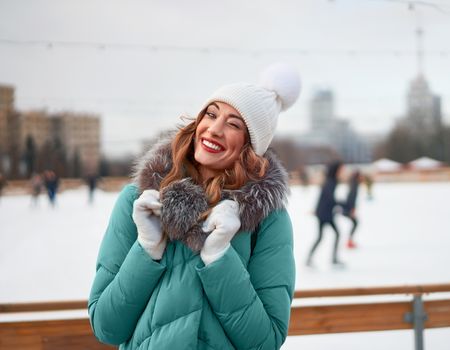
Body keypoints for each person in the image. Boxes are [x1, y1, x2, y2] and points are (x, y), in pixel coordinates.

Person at [88, 63, 300, 349]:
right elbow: (107, 327)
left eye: (234, 124)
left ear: (252, 145)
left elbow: (265, 341)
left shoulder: (267, 219)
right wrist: (146, 250)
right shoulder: (139, 201)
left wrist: (220, 259)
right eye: (211, 114)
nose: (214, 130)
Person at [306, 161, 344, 267]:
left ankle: (332, 258)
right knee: (322, 237)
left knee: (327, 236)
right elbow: (329, 198)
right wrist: (344, 205)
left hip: (325, 213)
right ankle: (311, 259)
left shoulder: (332, 180)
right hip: (324, 214)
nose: (342, 172)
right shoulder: (331, 181)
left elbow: (324, 198)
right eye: (341, 169)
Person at [343, 169, 361, 248]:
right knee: (355, 223)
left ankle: (350, 241)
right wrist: (352, 209)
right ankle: (349, 241)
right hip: (348, 208)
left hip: (347, 207)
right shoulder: (354, 185)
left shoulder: (353, 183)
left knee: (355, 223)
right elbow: (351, 197)